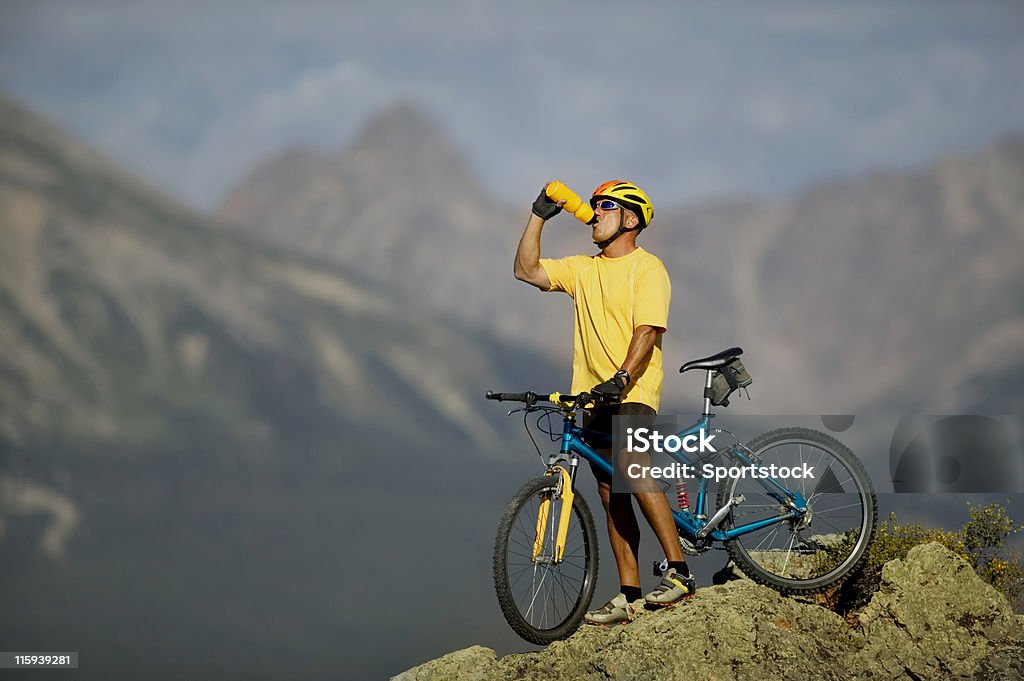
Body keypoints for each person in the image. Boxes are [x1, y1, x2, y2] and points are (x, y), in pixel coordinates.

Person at [513, 180, 694, 625]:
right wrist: (538, 214)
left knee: (633, 466)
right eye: (593, 206)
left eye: (605, 207)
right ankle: (630, 594)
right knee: (611, 492)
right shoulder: (583, 269)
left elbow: (648, 331)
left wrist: (622, 377)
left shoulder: (648, 268)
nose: (594, 213)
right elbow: (526, 270)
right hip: (593, 397)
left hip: (631, 391)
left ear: (630, 219)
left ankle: (680, 572)